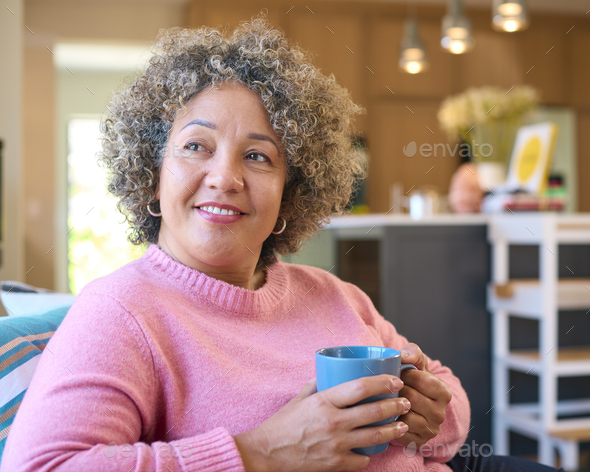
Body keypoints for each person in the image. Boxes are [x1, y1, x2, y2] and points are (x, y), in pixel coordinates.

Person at [0, 17, 565, 472]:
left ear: (288, 198)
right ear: (152, 175)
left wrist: (432, 417)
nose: (225, 176)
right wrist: (258, 454)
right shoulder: (121, 312)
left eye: (258, 155)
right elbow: (44, 464)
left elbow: (444, 397)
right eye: (196, 146)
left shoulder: (332, 293)